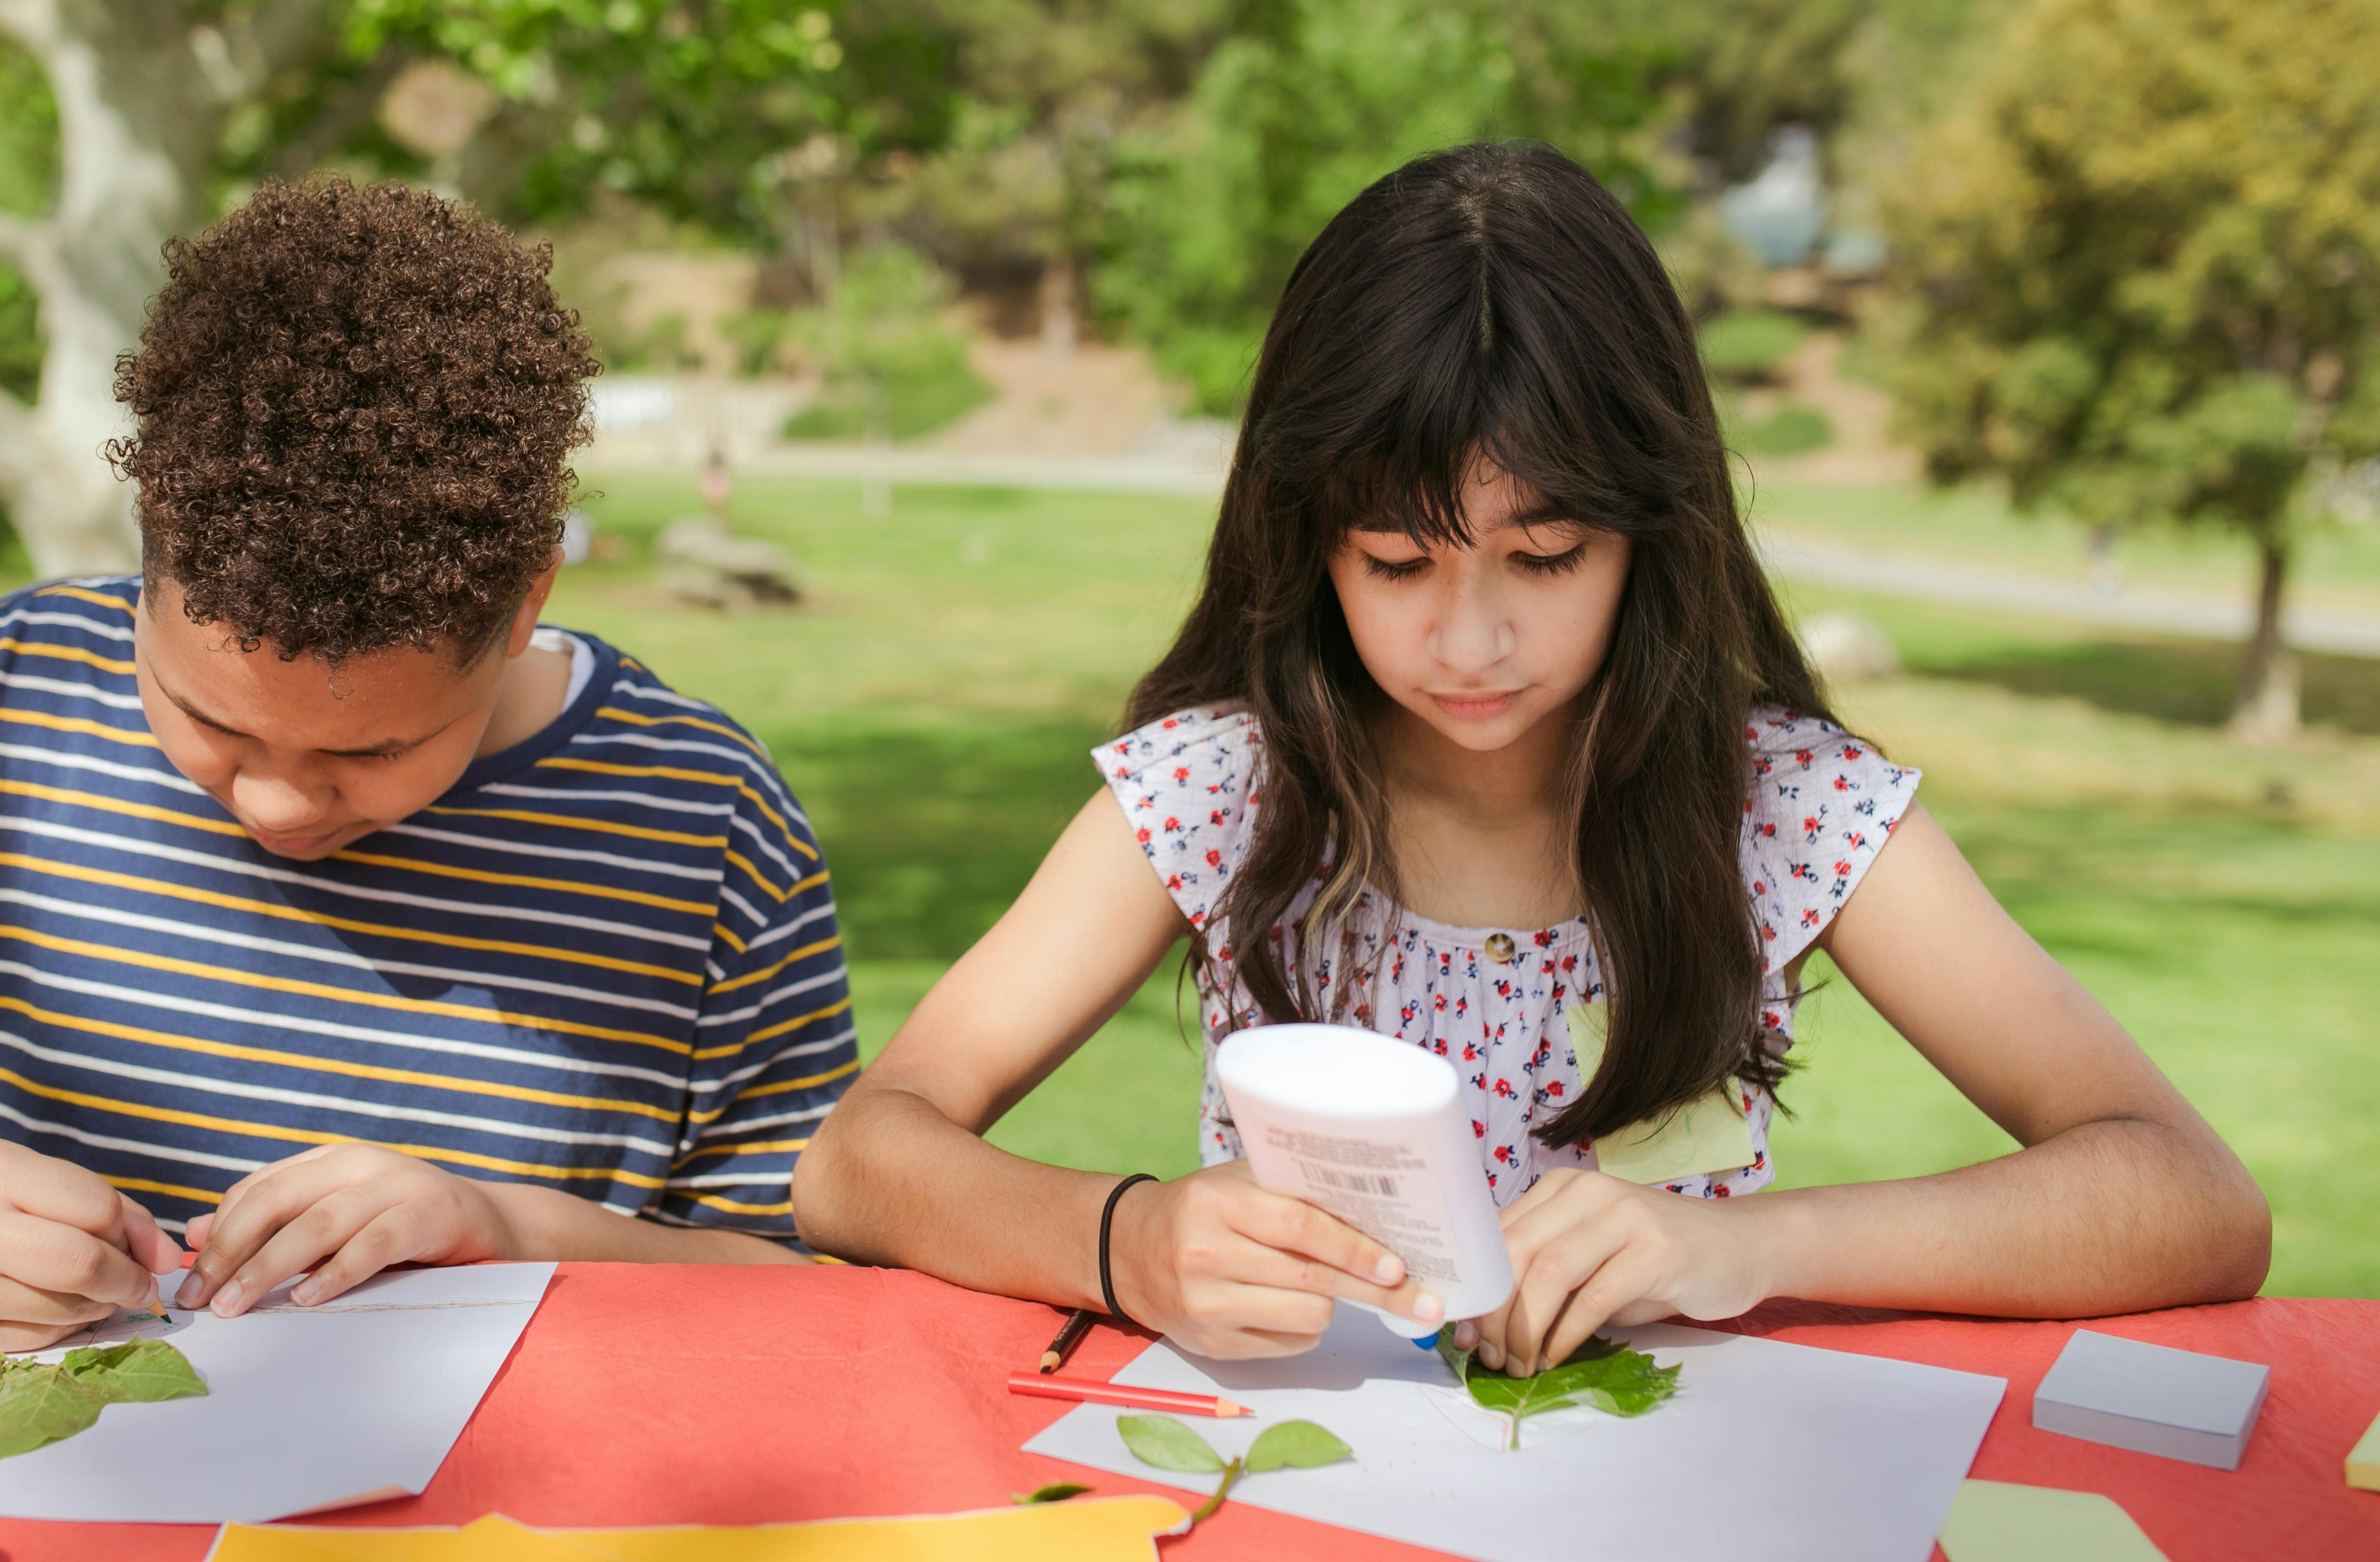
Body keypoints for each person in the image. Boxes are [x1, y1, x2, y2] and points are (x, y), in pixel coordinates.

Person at [792, 143, 2268, 1374]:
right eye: (1397, 561)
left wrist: (1749, 1249)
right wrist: (1129, 1239)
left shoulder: (1781, 810)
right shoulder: (1223, 792)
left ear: (1651, 531)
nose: (1472, 640)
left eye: (1545, 556)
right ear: (1309, 541)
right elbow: (857, 1161)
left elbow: (2190, 1198)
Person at [0, 180, 855, 1350]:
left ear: (524, 609)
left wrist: (517, 1237)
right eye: (213, 723)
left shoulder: (701, 821)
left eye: (374, 749)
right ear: (147, 571)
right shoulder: (10, 704)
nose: (277, 804)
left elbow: (816, 1300)